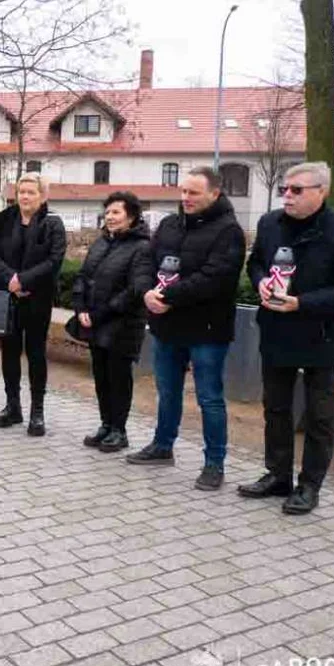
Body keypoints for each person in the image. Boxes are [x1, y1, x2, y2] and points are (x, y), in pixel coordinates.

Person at [239, 161, 334, 514]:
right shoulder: (270, 224)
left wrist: (302, 303)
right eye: (284, 188)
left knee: (318, 416)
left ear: (321, 192)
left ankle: (309, 485)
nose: (287, 195)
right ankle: (278, 475)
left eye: (296, 190)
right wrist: (261, 283)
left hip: (321, 336)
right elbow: (254, 263)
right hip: (277, 331)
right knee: (276, 408)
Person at [126, 166, 246, 490]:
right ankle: (163, 446)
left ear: (214, 194)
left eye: (193, 193)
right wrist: (145, 292)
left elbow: (215, 278)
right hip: (167, 325)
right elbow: (145, 263)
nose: (186, 198)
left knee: (209, 398)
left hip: (207, 329)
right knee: (167, 391)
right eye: (183, 191)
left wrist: (167, 296)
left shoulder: (228, 231)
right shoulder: (168, 225)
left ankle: (214, 463)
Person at [0, 172, 66, 436]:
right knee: (9, 351)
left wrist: (24, 280)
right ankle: (13, 405)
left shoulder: (53, 224)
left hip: (37, 299)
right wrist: (10, 279)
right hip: (8, 297)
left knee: (36, 353)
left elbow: (54, 261)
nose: (25, 197)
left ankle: (37, 412)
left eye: (31, 192)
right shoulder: (4, 219)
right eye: (22, 192)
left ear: (42, 196)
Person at [74, 191, 154, 453]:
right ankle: (106, 425)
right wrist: (81, 306)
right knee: (101, 377)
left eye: (116, 212)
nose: (110, 217)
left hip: (123, 325)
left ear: (131, 217)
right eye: (107, 212)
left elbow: (135, 289)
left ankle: (119, 430)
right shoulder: (100, 243)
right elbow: (83, 276)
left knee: (119, 379)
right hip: (96, 323)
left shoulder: (142, 247)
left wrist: (100, 313)